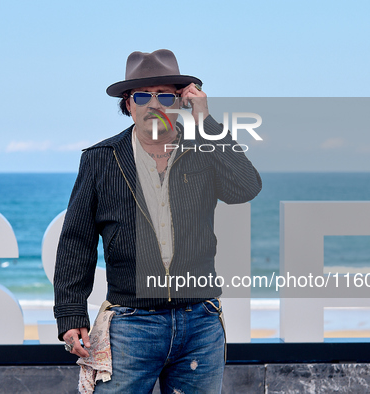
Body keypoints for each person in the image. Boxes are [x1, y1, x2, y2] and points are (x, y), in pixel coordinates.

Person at [54, 49, 262, 393]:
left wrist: (206, 122)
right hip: (131, 325)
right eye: (142, 95)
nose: (155, 105)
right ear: (128, 102)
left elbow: (246, 187)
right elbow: (77, 239)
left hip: (200, 322)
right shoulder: (100, 159)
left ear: (179, 101)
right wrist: (71, 314)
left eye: (166, 95)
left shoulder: (204, 150)